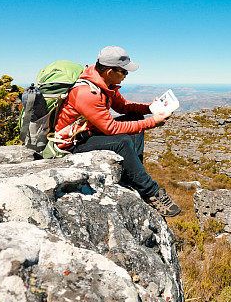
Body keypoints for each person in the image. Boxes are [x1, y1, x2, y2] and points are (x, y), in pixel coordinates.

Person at [53, 46, 181, 217]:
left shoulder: (105, 84)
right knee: (122, 141)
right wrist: (152, 122)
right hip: (72, 143)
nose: (126, 75)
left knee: (135, 118)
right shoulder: (87, 93)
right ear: (109, 71)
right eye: (123, 71)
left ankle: (134, 173)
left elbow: (123, 107)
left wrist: (151, 108)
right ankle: (151, 192)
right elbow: (112, 128)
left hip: (88, 131)